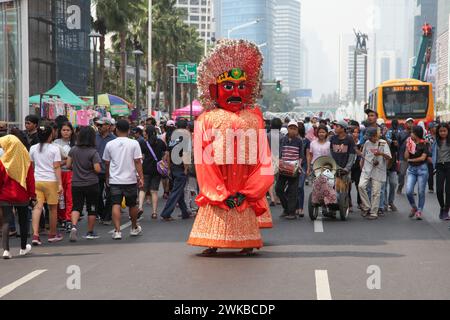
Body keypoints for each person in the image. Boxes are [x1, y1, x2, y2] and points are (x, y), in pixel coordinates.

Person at [187, 40, 274, 256]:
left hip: (244, 181)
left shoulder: (254, 118)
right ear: (214, 90)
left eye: (241, 86)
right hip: (218, 181)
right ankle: (213, 242)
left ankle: (246, 242)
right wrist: (217, 191)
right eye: (228, 86)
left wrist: (251, 190)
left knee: (242, 207)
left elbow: (264, 158)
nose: (236, 91)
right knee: (218, 209)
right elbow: (203, 159)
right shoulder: (206, 119)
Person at [103, 120, 144, 240]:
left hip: (115, 179)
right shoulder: (134, 143)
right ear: (129, 130)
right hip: (130, 179)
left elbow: (107, 163)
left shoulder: (110, 144)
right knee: (132, 205)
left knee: (115, 204)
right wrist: (141, 177)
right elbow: (137, 161)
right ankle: (134, 227)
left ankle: (117, 231)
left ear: (116, 129)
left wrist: (107, 177)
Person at [0, 135, 36, 259]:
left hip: (5, 196)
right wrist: (33, 196)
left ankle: (6, 250)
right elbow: (30, 180)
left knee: (6, 222)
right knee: (23, 221)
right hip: (22, 196)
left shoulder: (2, 162)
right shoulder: (27, 161)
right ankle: (22, 248)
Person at [66, 127, 102, 241]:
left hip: (76, 183)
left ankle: (74, 227)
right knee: (92, 208)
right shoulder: (93, 152)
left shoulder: (73, 150)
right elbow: (97, 169)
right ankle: (90, 232)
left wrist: (77, 168)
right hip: (91, 184)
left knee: (77, 206)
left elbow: (67, 165)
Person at [30, 126, 63, 245]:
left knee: (37, 207)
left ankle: (35, 235)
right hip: (51, 181)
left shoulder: (33, 148)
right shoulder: (54, 149)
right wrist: (60, 184)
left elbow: (32, 166)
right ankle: (52, 234)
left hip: (37, 180)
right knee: (53, 208)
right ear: (50, 135)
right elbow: (57, 167)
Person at [160, 119, 193, 221]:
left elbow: (168, 154)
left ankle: (185, 212)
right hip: (181, 168)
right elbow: (186, 155)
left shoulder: (173, 138)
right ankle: (166, 213)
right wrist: (186, 168)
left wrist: (169, 168)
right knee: (176, 192)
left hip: (173, 167)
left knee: (179, 192)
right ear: (186, 127)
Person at [358, 128, 392, 220]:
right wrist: (361, 164)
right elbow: (363, 155)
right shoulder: (367, 143)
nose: (369, 139)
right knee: (361, 186)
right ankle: (366, 206)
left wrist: (381, 153)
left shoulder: (383, 143)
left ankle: (374, 212)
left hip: (378, 170)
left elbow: (389, 156)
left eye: (371, 137)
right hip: (366, 169)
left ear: (375, 136)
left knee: (376, 192)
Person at [138, 125, 167, 219]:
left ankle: (140, 207)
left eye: (144, 131)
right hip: (157, 170)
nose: (143, 133)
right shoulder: (160, 142)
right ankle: (154, 212)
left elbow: (141, 157)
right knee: (154, 191)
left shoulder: (143, 143)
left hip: (146, 169)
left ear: (147, 133)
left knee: (143, 189)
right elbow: (165, 152)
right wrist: (163, 160)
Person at [276, 120, 303, 220]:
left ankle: (291, 212)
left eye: (294, 129)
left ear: (297, 130)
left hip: (294, 168)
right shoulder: (283, 139)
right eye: (291, 128)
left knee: (293, 191)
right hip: (283, 167)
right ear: (287, 129)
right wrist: (278, 162)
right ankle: (286, 208)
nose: (292, 131)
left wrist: (299, 165)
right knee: (278, 189)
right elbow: (280, 153)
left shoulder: (299, 141)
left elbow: (301, 155)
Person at [53, 122, 75, 232]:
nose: (66, 132)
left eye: (68, 130)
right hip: (58, 173)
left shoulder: (75, 143)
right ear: (60, 131)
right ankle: (60, 218)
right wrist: (65, 162)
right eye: (63, 130)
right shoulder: (55, 143)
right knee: (60, 197)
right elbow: (55, 161)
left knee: (69, 197)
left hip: (71, 173)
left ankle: (68, 219)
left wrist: (65, 162)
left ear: (72, 131)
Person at [405, 125, 430, 220]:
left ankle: (419, 210)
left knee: (421, 191)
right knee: (408, 191)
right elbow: (406, 157)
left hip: (422, 169)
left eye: (412, 132)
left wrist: (411, 161)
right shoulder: (410, 143)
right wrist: (408, 147)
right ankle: (414, 207)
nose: (410, 134)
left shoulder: (424, 144)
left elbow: (423, 158)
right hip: (411, 170)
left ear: (416, 134)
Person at [95, 117, 116, 225]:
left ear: (108, 126)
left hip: (110, 171)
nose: (98, 127)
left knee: (110, 195)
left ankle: (107, 216)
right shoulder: (94, 137)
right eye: (98, 125)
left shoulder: (114, 139)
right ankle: (102, 213)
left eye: (101, 125)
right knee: (97, 194)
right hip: (97, 171)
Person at [432, 123, 450, 220]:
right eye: (441, 131)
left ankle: (446, 210)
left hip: (449, 165)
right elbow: (431, 153)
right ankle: (442, 207)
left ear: (448, 131)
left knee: (448, 190)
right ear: (438, 132)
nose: (443, 133)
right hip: (439, 166)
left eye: (445, 131)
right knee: (439, 190)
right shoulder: (435, 142)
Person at [296, 122, 310, 218]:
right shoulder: (291, 139)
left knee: (300, 186)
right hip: (292, 164)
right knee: (294, 187)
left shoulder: (306, 141)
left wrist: (308, 167)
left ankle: (300, 208)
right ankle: (295, 207)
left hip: (303, 165)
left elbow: (308, 155)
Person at [398, 118, 414, 194]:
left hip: (413, 157)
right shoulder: (401, 133)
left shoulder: (415, 133)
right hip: (402, 156)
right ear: (405, 124)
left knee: (412, 174)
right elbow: (397, 145)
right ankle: (400, 187)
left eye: (412, 123)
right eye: (409, 122)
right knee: (402, 173)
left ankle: (411, 189)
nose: (410, 124)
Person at [349, 125, 363, 212]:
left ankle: (359, 202)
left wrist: (357, 149)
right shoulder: (348, 142)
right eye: (354, 132)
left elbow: (361, 154)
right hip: (349, 166)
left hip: (358, 166)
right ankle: (349, 203)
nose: (356, 134)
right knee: (348, 186)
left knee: (359, 185)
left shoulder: (360, 143)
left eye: (357, 132)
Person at [426, 122, 437, 193]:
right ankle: (430, 187)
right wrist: (428, 157)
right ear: (430, 129)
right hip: (430, 156)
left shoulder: (439, 136)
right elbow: (425, 148)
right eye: (434, 127)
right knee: (430, 173)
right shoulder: (427, 137)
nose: (435, 128)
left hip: (438, 156)